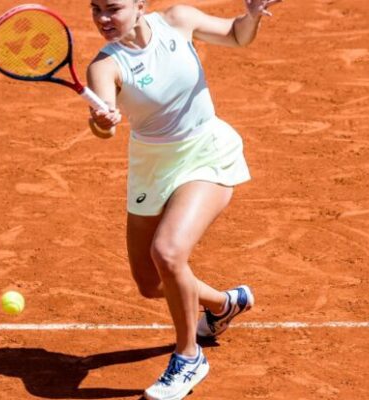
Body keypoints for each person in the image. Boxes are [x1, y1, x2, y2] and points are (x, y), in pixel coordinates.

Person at [85, 0, 280, 398]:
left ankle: (188, 356)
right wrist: (101, 121)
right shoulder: (104, 66)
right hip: (152, 166)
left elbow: (238, 37)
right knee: (149, 282)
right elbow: (102, 125)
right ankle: (224, 304)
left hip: (206, 151)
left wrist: (252, 15)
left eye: (113, 8)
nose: (103, 19)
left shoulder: (178, 20)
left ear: (141, 4)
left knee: (169, 253)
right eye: (95, 8)